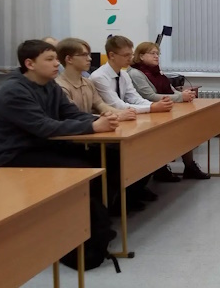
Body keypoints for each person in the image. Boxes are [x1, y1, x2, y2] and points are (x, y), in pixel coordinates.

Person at [0, 39, 119, 236]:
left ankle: (98, 218)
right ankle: (84, 228)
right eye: (49, 59)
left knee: (110, 156)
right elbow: (43, 126)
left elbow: (71, 114)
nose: (57, 63)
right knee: (82, 169)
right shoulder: (14, 91)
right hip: (17, 155)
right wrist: (93, 126)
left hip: (47, 145)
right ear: (30, 64)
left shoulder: (50, 85)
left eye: (56, 59)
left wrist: (102, 119)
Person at [54, 37, 152, 211]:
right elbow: (74, 116)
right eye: (84, 55)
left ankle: (122, 196)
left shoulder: (87, 82)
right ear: (69, 59)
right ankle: (110, 202)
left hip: (91, 133)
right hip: (76, 139)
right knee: (117, 154)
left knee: (135, 149)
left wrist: (118, 114)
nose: (89, 59)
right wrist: (113, 117)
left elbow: (101, 105)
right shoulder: (60, 86)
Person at [90, 36, 181, 185]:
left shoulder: (124, 74)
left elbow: (135, 98)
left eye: (131, 54)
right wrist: (151, 107)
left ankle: (143, 183)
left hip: (126, 119)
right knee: (141, 146)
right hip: (110, 124)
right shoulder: (99, 77)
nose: (130, 58)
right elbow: (117, 105)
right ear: (112, 55)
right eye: (126, 55)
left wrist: (154, 105)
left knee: (153, 138)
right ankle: (133, 188)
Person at [128, 41, 210, 180]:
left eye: (157, 54)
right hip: (148, 113)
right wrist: (180, 97)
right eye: (152, 53)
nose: (156, 56)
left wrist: (184, 94)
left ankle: (189, 166)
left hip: (164, 109)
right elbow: (150, 96)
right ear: (141, 56)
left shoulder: (157, 71)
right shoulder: (136, 73)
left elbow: (170, 90)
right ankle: (160, 169)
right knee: (167, 135)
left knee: (185, 129)